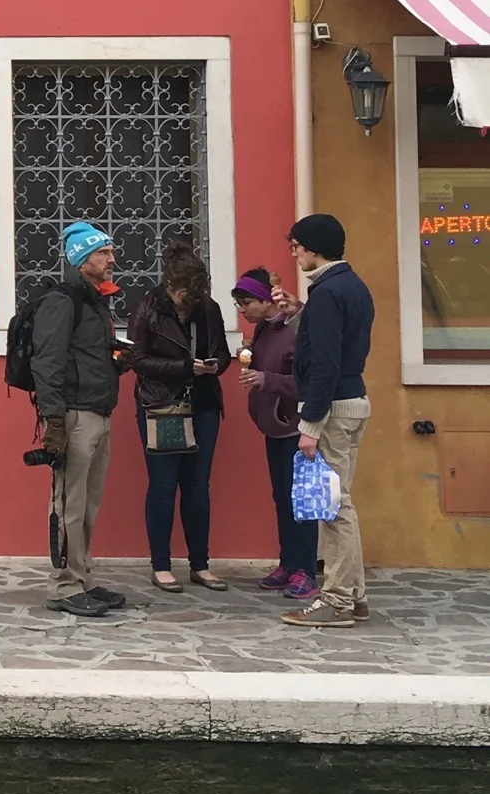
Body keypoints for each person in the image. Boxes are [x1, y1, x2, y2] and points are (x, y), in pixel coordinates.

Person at [30, 220, 131, 619]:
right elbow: (47, 362)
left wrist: (118, 362)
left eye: (110, 251)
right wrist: (53, 421)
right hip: (73, 416)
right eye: (103, 253)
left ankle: (82, 576)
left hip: (98, 411)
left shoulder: (95, 302)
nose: (112, 259)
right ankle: (63, 585)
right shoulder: (63, 302)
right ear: (81, 259)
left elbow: (86, 357)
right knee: (68, 503)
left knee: (87, 503)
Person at [281, 213, 374, 630]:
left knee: (335, 507)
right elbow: (339, 343)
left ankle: (338, 600)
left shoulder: (327, 292)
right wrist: (302, 314)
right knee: (342, 502)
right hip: (354, 401)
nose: (295, 253)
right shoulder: (352, 286)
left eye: (296, 246)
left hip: (332, 408)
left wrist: (310, 424)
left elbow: (324, 361)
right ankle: (354, 596)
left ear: (314, 248)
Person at [127, 241, 234, 593]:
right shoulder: (147, 308)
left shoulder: (209, 308)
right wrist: (186, 367)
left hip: (203, 403)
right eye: (183, 296)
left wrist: (216, 364)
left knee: (197, 486)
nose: (188, 303)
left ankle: (200, 564)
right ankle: (161, 565)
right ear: (171, 287)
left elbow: (222, 350)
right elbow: (138, 361)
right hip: (162, 405)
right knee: (162, 485)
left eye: (195, 297)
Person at [231, 266, 313, 597]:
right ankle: (288, 562)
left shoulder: (293, 332)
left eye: (246, 302)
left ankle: (306, 569)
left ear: (266, 300)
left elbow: (306, 382)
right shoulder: (264, 330)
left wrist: (266, 380)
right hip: (273, 428)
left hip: (295, 429)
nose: (243, 310)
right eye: (238, 304)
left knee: (301, 501)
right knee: (281, 498)